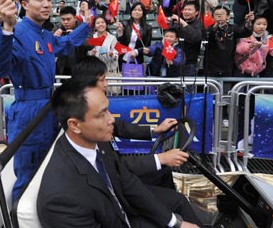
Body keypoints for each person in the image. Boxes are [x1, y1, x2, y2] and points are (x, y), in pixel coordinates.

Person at [37, 76, 200, 228]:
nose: (111, 119)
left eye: (108, 110)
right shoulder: (60, 200)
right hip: (117, 219)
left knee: (178, 203)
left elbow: (126, 181)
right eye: (101, 115)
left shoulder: (98, 142)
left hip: (124, 210)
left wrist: (174, 222)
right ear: (74, 125)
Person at [0, 0, 90, 202]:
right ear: (24, 4)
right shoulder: (17, 32)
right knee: (28, 175)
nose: (47, 4)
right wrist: (7, 27)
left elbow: (66, 44)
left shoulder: (44, 34)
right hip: (28, 114)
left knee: (48, 170)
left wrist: (85, 24)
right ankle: (17, 218)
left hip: (49, 110)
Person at [72, 56, 193, 190]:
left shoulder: (91, 109)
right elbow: (115, 165)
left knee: (164, 175)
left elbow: (119, 126)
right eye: (102, 80)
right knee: (178, 201)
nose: (106, 84)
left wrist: (155, 129)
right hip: (115, 184)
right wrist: (160, 158)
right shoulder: (84, 121)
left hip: (118, 174)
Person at [205, 6, 254, 77]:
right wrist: (215, 28)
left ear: (228, 17)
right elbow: (208, 37)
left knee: (226, 86)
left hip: (228, 66)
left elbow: (245, 32)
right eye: (217, 15)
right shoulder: (209, 29)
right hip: (212, 67)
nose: (219, 16)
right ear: (212, 18)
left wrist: (248, 22)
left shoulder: (233, 28)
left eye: (222, 14)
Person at [169, 1, 204, 76]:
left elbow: (195, 37)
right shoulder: (177, 24)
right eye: (185, 10)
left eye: (189, 10)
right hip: (175, 61)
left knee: (188, 86)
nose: (186, 12)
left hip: (190, 63)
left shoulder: (198, 25)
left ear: (197, 12)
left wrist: (183, 23)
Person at [52, 5, 88, 75]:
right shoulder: (57, 27)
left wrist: (77, 38)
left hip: (80, 67)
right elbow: (49, 45)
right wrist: (54, 38)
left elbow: (90, 44)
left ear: (75, 18)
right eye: (63, 19)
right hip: (62, 67)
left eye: (68, 19)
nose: (65, 22)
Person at [116, 1, 152, 67]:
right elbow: (120, 42)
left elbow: (147, 46)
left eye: (139, 10)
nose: (137, 12)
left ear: (143, 13)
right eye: (134, 10)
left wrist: (137, 51)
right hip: (124, 57)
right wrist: (120, 32)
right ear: (131, 12)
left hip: (138, 59)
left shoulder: (148, 28)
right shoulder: (124, 24)